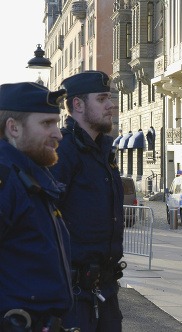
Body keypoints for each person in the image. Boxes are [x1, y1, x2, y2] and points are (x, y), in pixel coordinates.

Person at [49, 71, 125, 331]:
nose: (111, 105)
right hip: (73, 294)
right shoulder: (63, 150)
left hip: (105, 288)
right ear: (78, 105)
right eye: (102, 99)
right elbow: (46, 219)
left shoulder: (104, 149)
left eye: (110, 98)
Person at [0, 82, 73, 331]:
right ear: (14, 128)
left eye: (57, 122)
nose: (58, 133)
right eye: (46, 124)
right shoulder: (6, 178)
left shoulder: (30, 176)